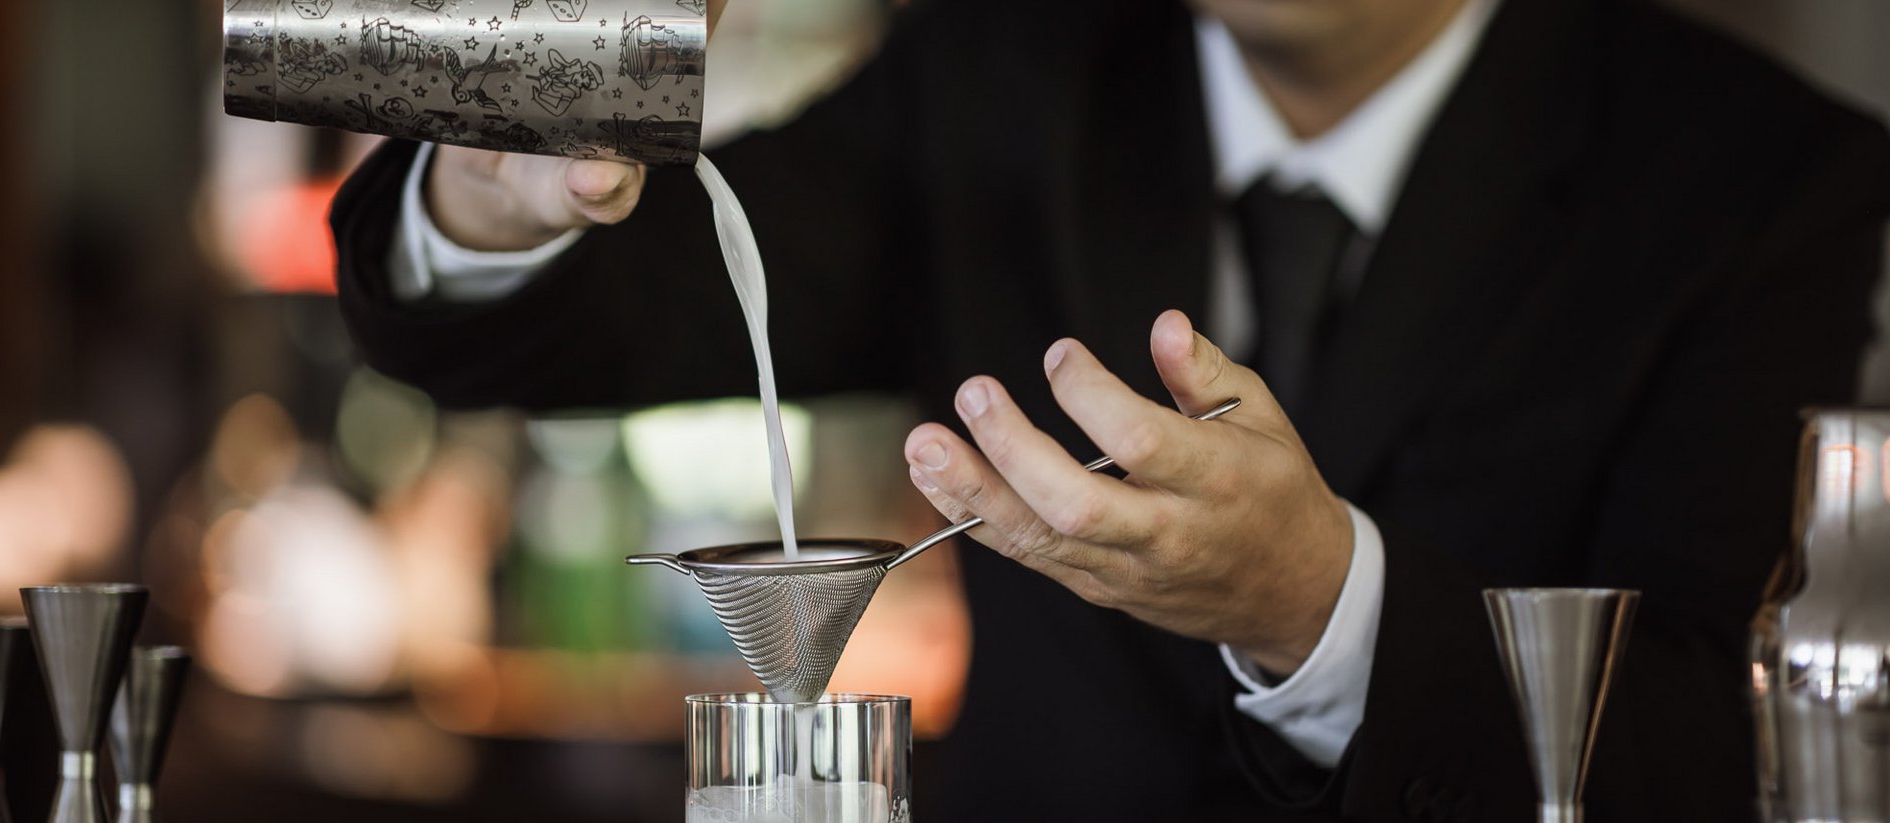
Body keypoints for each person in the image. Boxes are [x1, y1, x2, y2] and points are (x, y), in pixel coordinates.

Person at [331, 0, 1890, 818]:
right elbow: (575, 322)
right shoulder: (1008, 66)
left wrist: (1321, 606)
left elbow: (1732, 747)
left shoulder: (1759, 179)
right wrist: (488, 173)